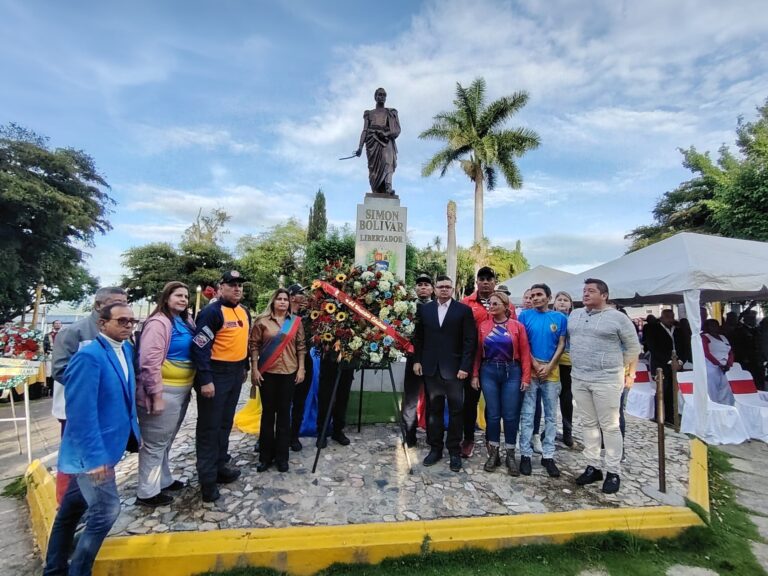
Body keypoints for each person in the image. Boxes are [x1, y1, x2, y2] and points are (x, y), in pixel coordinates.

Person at [43, 303, 141, 576]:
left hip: (109, 447)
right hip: (92, 454)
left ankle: (54, 569)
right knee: (107, 511)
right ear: (102, 323)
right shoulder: (88, 357)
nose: (128, 325)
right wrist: (95, 459)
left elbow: (125, 396)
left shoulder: (126, 349)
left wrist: (135, 434)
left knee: (70, 511)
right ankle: (79, 570)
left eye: (132, 321)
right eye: (121, 321)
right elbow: (80, 413)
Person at [50, 287, 128, 504]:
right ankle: (64, 503)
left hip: (108, 409)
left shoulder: (121, 333)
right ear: (98, 305)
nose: (121, 306)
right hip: (77, 409)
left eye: (124, 302)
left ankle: (79, 504)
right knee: (75, 459)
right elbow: (59, 369)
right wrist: (96, 385)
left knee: (99, 458)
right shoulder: (74, 332)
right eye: (115, 302)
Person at [569, 279, 641, 494]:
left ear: (604, 295)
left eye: (591, 291)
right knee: (588, 423)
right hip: (580, 377)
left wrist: (616, 366)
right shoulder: (575, 315)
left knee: (610, 426)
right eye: (584, 290)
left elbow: (633, 347)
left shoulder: (618, 318)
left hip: (606, 380)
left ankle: (613, 471)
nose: (586, 294)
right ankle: (593, 466)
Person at [191, 270, 251, 503]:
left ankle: (220, 466)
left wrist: (244, 367)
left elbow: (243, 342)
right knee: (209, 427)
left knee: (225, 423)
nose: (237, 288)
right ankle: (207, 480)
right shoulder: (211, 313)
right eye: (232, 284)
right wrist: (205, 379)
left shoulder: (244, 311)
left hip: (235, 373)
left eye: (240, 285)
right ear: (220, 287)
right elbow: (200, 347)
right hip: (215, 374)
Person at [135, 281, 196, 507]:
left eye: (186, 296)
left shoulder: (186, 321)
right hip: (164, 391)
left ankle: (163, 479)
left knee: (166, 439)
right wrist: (155, 394)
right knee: (154, 442)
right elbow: (149, 361)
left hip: (182, 389)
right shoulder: (158, 323)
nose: (183, 300)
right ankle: (147, 492)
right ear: (166, 297)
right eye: (178, 295)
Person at [413, 275, 476, 473]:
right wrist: (417, 360)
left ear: (452, 289)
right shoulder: (425, 310)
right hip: (431, 368)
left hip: (456, 371)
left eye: (448, 287)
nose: (444, 289)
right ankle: (435, 448)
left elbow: (469, 341)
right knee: (434, 411)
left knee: (456, 411)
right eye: (440, 286)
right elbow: (418, 337)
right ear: (435, 289)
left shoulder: (463, 310)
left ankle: (454, 451)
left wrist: (465, 367)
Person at [471, 291, 531, 475]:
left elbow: (525, 353)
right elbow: (477, 353)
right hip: (489, 371)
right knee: (493, 414)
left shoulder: (517, 326)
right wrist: (475, 374)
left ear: (506, 306)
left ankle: (510, 454)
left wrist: (526, 377)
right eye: (489, 303)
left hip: (511, 371)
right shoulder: (483, 326)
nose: (491, 306)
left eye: (495, 303)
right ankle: (494, 452)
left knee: (511, 415)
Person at [461, 266, 516, 458]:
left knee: (494, 405)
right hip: (472, 361)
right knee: (470, 403)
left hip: (498, 362)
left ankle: (490, 440)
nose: (485, 282)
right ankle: (468, 439)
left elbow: (515, 331)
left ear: (495, 282)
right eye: (481, 279)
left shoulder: (507, 305)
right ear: (476, 282)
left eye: (489, 279)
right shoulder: (466, 303)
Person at [250, 288, 306, 473]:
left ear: (289, 302)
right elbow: (254, 345)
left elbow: (301, 346)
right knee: (267, 415)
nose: (283, 302)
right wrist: (254, 368)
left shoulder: (296, 322)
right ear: (273, 301)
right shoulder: (262, 321)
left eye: (285, 299)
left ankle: (282, 457)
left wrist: (301, 368)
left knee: (283, 415)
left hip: (289, 372)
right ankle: (265, 457)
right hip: (267, 373)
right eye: (279, 299)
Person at [518, 283, 567, 478]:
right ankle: (525, 454)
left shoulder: (560, 318)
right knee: (528, 413)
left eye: (539, 294)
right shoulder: (525, 316)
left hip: (551, 371)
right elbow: (523, 344)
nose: (535, 298)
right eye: (532, 296)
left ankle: (548, 455)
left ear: (549, 297)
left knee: (551, 415)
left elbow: (562, 344)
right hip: (531, 370)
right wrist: (535, 364)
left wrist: (549, 366)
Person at [402, 272, 435, 447]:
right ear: (415, 288)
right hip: (412, 357)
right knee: (410, 398)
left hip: (432, 359)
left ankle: (432, 435)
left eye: (426, 285)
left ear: (432, 289)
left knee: (432, 398)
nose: (423, 287)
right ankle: (409, 435)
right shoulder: (407, 308)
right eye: (420, 285)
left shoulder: (437, 307)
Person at [643, 308, 690, 424]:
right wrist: (670, 361)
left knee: (672, 392)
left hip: (676, 365)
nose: (670, 320)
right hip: (661, 365)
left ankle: (670, 416)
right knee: (662, 390)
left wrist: (680, 362)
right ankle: (659, 416)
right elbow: (654, 348)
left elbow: (684, 347)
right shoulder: (653, 329)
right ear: (662, 318)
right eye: (667, 317)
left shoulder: (677, 330)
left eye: (672, 317)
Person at [355, 87, 401, 195]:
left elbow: (397, 130)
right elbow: (365, 130)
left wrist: (386, 134)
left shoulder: (390, 112)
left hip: (386, 140)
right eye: (379, 95)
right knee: (374, 170)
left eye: (384, 95)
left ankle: (388, 187)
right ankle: (376, 189)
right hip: (372, 142)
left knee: (388, 161)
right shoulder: (369, 113)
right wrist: (360, 147)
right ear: (375, 97)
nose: (382, 97)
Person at [287, 284, 313, 452]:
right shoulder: (281, 314)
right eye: (301, 293)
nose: (305, 296)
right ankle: (269, 436)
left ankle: (294, 436)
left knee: (299, 402)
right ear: (292, 297)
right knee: (279, 403)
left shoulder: (310, 316)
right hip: (284, 362)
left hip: (304, 361)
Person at [553, 291, 575, 447]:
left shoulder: (574, 320)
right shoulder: (550, 318)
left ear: (570, 304)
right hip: (551, 363)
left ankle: (568, 431)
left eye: (565, 300)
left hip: (568, 363)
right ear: (554, 303)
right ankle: (550, 428)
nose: (562, 302)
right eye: (559, 299)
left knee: (566, 398)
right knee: (550, 398)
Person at [702, 319, 735, 406]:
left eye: (716, 325)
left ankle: (726, 407)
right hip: (711, 367)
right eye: (712, 325)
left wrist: (729, 364)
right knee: (712, 389)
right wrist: (718, 364)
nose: (714, 327)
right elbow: (706, 353)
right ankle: (713, 407)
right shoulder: (705, 337)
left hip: (725, 367)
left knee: (726, 389)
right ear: (707, 327)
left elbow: (730, 352)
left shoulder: (723, 337)